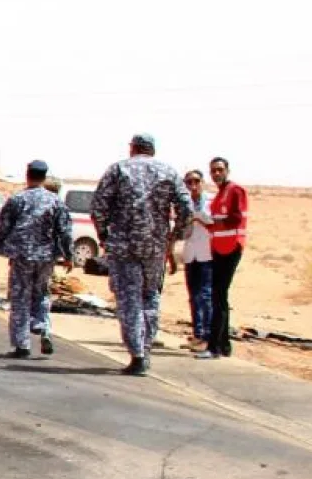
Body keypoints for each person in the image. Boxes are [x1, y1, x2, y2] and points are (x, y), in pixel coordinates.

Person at [90, 133, 191, 375]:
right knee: (150, 297)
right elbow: (186, 208)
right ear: (152, 150)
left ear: (132, 148)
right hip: (154, 247)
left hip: (124, 247)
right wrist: (173, 236)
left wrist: (104, 235)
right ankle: (145, 350)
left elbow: (98, 206)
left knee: (129, 300)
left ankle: (137, 354)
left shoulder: (118, 169)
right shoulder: (169, 172)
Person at [0, 159, 73, 359]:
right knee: (41, 293)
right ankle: (42, 327)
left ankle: (22, 345)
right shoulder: (55, 201)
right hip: (46, 257)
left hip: (22, 255)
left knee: (20, 298)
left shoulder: (18, 200)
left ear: (28, 175)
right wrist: (68, 256)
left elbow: (1, 228)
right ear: (44, 177)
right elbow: (65, 231)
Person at [198, 156, 248, 359]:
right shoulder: (219, 195)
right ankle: (224, 345)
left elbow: (235, 219)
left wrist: (214, 222)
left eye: (219, 169)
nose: (216, 173)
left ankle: (214, 347)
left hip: (231, 248)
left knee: (218, 296)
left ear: (227, 170)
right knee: (220, 296)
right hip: (218, 248)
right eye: (213, 170)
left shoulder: (236, 191)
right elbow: (216, 223)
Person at [180, 169, 213, 349]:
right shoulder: (185, 203)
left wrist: (199, 217)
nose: (193, 185)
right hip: (190, 253)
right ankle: (197, 334)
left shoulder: (211, 201)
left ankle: (207, 336)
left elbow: (213, 222)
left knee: (205, 295)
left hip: (207, 253)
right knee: (193, 296)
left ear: (202, 182)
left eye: (196, 181)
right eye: (189, 182)